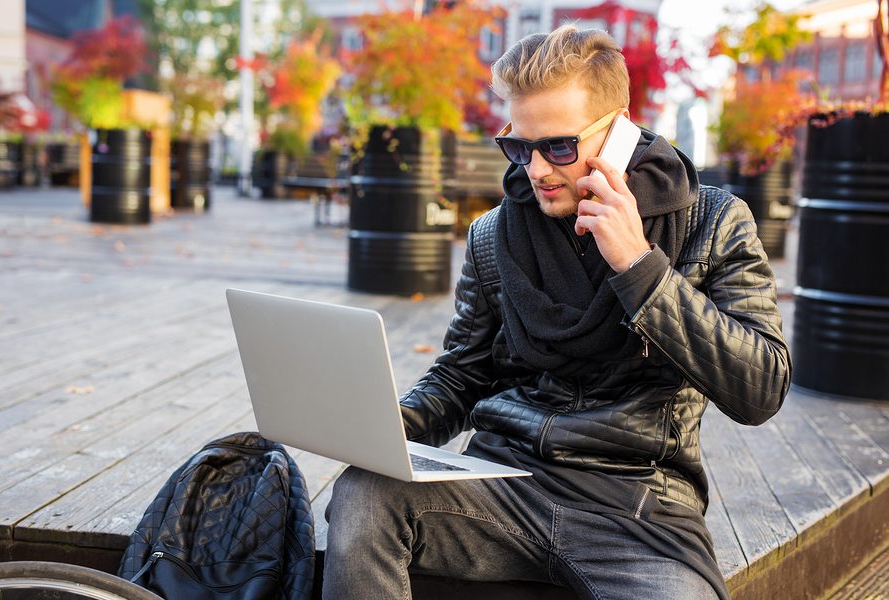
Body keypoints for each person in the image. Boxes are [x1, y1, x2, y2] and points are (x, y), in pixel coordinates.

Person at [323, 26, 791, 600]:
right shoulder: (494, 235)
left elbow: (762, 388)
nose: (536, 170)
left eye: (559, 147)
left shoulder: (714, 221)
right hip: (502, 482)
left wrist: (641, 268)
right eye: (519, 147)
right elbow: (464, 373)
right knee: (365, 492)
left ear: (619, 128)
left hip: (638, 505)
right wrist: (381, 427)